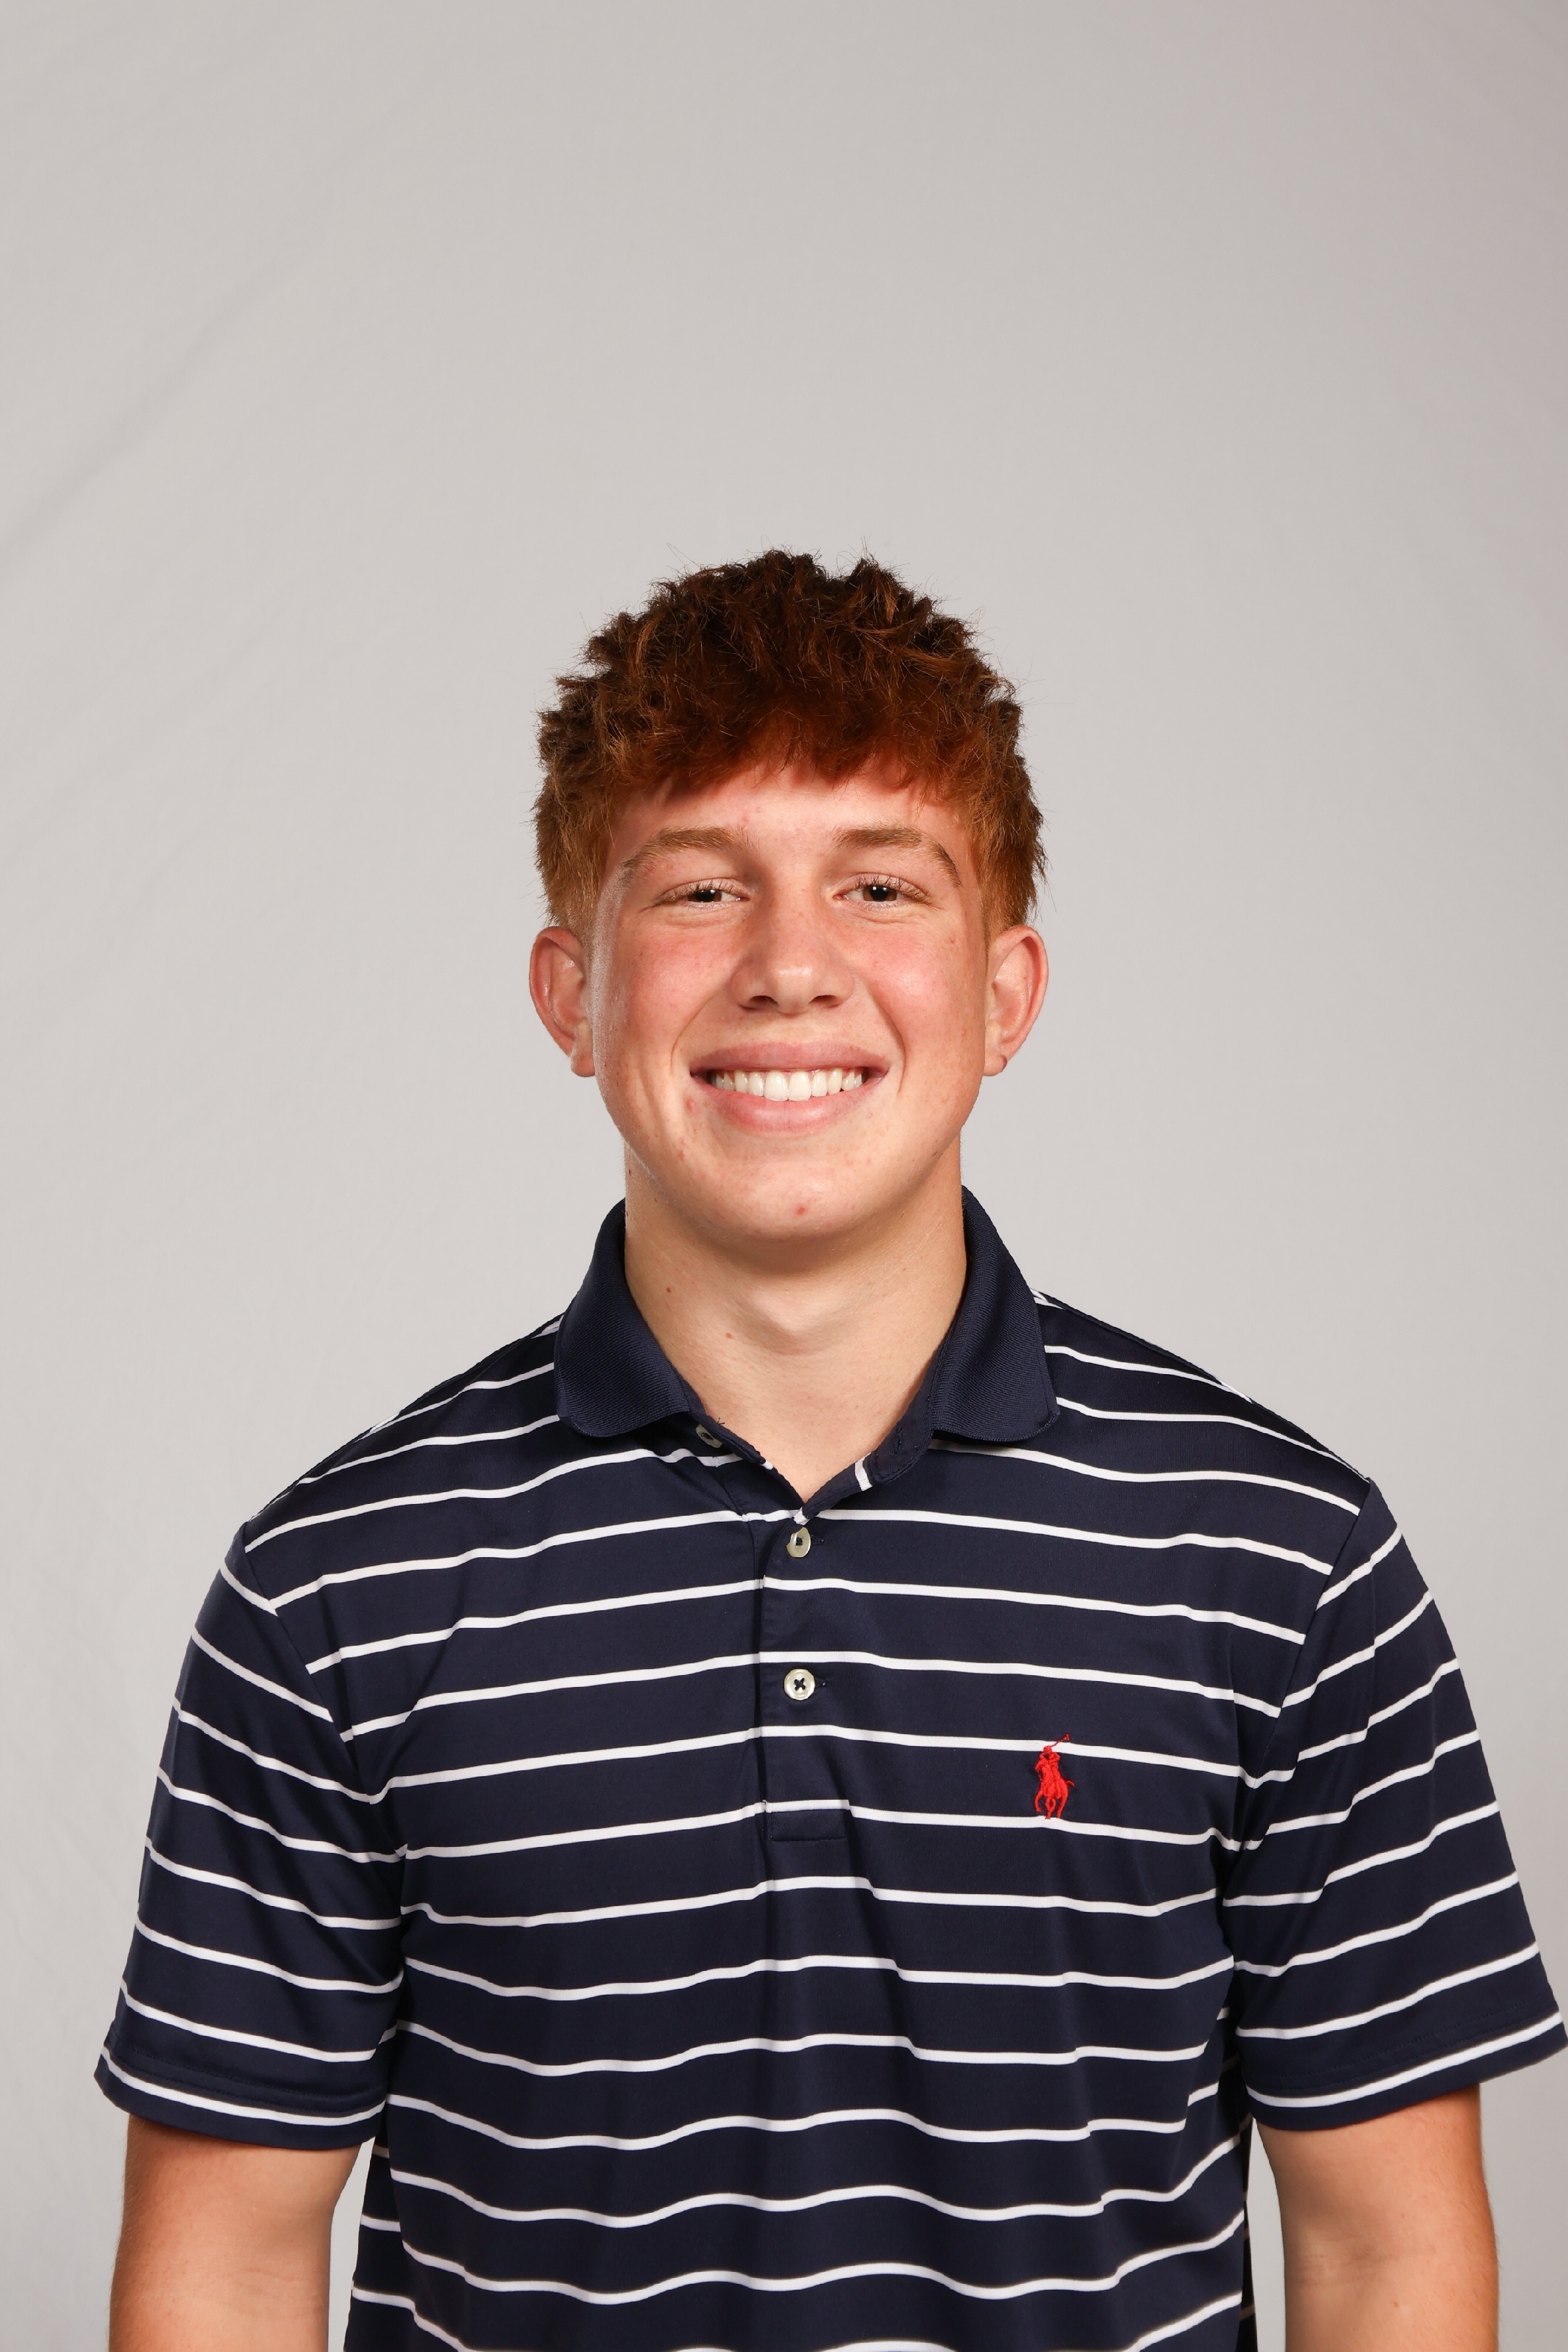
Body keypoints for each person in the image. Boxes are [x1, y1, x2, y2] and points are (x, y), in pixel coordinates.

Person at [100, 552, 1561, 2352]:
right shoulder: (335, 1588)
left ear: (1006, 992)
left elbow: (1387, 2253)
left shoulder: (1281, 1559)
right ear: (572, 992)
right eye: (702, 887)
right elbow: (227, 2265)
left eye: (880, 884)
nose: (791, 968)